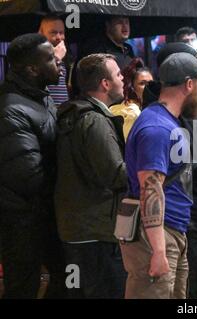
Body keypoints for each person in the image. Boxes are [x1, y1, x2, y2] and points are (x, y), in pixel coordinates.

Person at [120, 52, 197, 299]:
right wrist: (158, 251)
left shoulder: (168, 122)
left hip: (173, 230)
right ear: (188, 84)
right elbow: (150, 190)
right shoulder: (157, 128)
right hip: (156, 235)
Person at [55, 53, 128, 298]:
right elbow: (116, 174)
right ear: (105, 83)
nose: (123, 79)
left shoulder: (73, 114)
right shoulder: (94, 121)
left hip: (77, 230)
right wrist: (148, 168)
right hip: (95, 232)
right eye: (118, 74)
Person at [0, 33, 66, 299]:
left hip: (44, 214)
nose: (59, 63)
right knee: (22, 287)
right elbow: (28, 177)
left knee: (63, 279)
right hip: (21, 220)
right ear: (31, 69)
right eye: (51, 59)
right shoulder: (11, 109)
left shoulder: (41, 95)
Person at [72, 16, 135, 96]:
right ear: (108, 25)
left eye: (126, 22)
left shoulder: (129, 49)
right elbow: (81, 81)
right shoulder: (95, 49)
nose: (125, 26)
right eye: (120, 22)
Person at [110, 58, 153, 140]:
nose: (148, 87)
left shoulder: (141, 110)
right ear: (131, 87)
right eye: (142, 83)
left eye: (151, 83)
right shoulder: (132, 113)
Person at [38, 14, 71, 105]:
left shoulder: (64, 54)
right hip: (44, 109)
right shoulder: (34, 56)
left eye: (61, 32)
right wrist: (57, 58)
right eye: (53, 32)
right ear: (41, 33)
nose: (59, 37)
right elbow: (42, 78)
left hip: (62, 110)